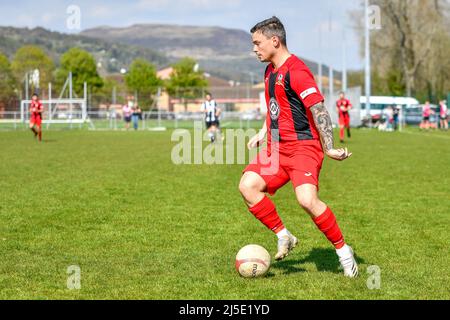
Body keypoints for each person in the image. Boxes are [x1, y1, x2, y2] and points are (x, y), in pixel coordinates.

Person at [239, 17, 358, 278]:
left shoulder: (297, 71)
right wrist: (263, 130)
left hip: (304, 147)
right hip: (277, 148)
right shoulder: (270, 69)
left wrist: (328, 148)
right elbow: (274, 104)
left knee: (307, 200)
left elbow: (318, 110)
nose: (254, 49)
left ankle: (343, 252)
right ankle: (285, 235)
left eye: (257, 43)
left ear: (275, 41)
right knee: (247, 186)